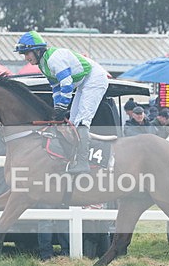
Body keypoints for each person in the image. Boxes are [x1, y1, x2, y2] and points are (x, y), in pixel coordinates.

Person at [15, 31, 109, 174]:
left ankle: (84, 162)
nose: (26, 57)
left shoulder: (53, 59)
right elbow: (56, 89)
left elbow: (66, 84)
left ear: (37, 50)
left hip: (95, 78)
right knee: (72, 121)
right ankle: (72, 158)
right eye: (24, 54)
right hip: (84, 82)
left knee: (82, 120)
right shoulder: (43, 65)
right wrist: (56, 109)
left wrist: (62, 106)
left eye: (27, 53)